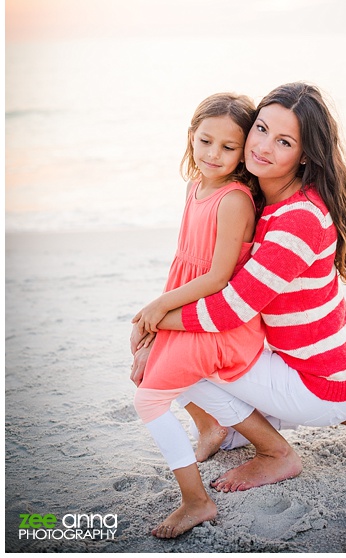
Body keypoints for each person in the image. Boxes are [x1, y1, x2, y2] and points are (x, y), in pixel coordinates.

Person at [130, 82, 346, 528]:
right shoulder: (276, 194)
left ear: (305, 155)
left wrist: (155, 321)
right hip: (344, 362)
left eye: (283, 141)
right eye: (261, 129)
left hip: (321, 385)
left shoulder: (296, 219)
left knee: (180, 363)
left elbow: (230, 310)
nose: (263, 146)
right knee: (189, 346)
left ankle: (277, 453)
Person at [131, 92, 267, 539]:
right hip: (193, 306)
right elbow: (184, 262)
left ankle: (196, 501)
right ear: (191, 134)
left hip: (220, 320)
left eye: (228, 148)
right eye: (206, 141)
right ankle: (210, 426)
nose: (213, 154)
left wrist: (160, 307)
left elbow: (216, 277)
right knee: (139, 346)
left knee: (148, 399)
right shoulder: (196, 187)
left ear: (244, 151)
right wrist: (156, 316)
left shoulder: (234, 200)